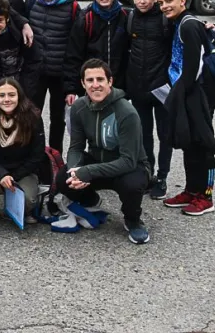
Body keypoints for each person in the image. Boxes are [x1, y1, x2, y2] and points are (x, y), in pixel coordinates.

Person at [54, 59, 150, 245]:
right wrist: (75, 172)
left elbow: (128, 161)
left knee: (132, 184)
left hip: (128, 167)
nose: (95, 85)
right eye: (90, 80)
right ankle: (91, 200)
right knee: (63, 178)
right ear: (83, 83)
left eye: (100, 79)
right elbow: (76, 147)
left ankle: (133, 219)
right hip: (98, 162)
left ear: (110, 81)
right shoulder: (79, 108)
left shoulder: (127, 112)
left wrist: (88, 172)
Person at [157, 0, 215, 217]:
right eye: (161, 2)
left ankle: (206, 196)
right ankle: (191, 190)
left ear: (182, 1)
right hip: (187, 91)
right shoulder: (179, 23)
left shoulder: (189, 25)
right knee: (189, 142)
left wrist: (179, 93)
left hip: (199, 92)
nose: (165, 6)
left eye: (168, 1)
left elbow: (195, 66)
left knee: (203, 143)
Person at [0, 78, 45, 225]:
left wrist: (12, 177)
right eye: (1, 95)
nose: (7, 99)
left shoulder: (33, 117)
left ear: (19, 96)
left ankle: (19, 206)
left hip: (24, 170)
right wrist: (1, 174)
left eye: (11, 95)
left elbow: (37, 155)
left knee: (28, 201)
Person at [125, 0, 173, 200]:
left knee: (165, 135)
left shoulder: (166, 19)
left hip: (162, 87)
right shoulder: (131, 17)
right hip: (138, 87)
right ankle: (147, 173)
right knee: (143, 135)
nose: (142, 1)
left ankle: (162, 177)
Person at [25, 0, 79, 151]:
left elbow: (75, 46)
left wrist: (72, 83)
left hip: (60, 73)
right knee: (32, 115)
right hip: (37, 72)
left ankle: (55, 157)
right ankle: (37, 156)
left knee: (58, 119)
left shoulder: (72, 6)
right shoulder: (31, 2)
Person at [63, 0, 129, 106]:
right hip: (93, 84)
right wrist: (71, 89)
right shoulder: (85, 19)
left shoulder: (125, 16)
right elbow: (73, 56)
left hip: (118, 85)